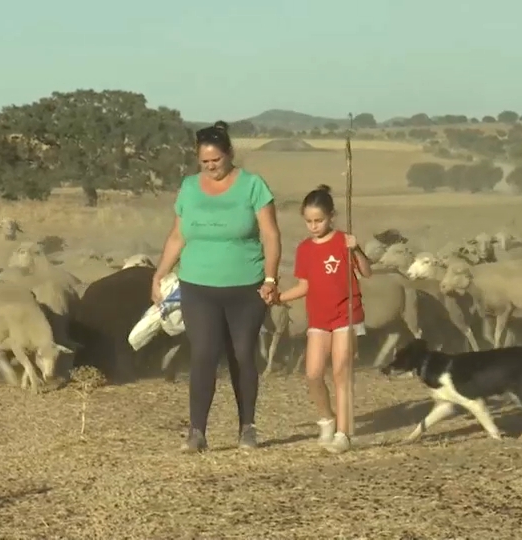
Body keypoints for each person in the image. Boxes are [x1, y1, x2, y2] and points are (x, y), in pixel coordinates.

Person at [151, 120, 282, 452]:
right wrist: (159, 273)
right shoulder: (190, 187)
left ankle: (247, 428)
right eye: (204, 162)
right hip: (198, 285)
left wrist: (270, 277)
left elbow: (270, 234)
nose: (211, 167)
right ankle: (197, 432)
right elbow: (178, 235)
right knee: (204, 354)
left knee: (242, 355)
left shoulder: (253, 186)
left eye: (216, 161)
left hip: (245, 287)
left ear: (230, 154)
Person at [277, 184, 372, 454]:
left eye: (319, 220)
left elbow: (367, 273)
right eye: (308, 221)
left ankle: (343, 433)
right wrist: (279, 298)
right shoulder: (305, 249)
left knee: (341, 371)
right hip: (319, 318)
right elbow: (304, 285)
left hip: (346, 313)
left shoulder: (344, 241)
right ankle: (327, 419)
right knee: (313, 373)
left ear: (331, 216)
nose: (314, 226)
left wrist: (358, 250)